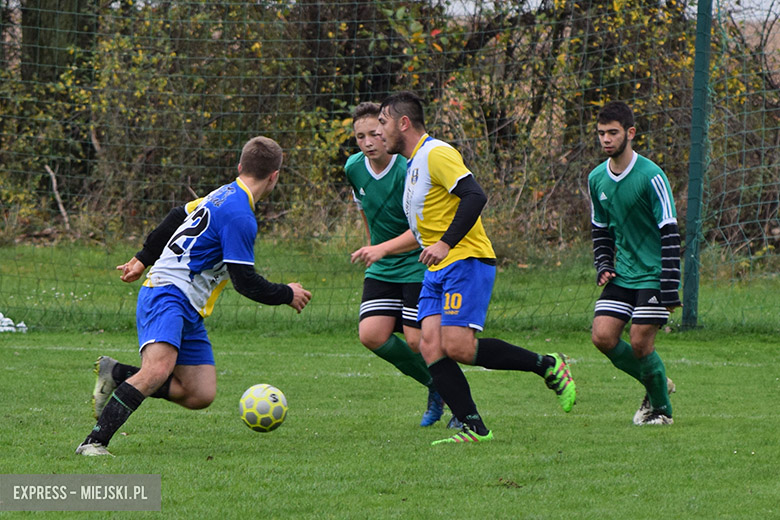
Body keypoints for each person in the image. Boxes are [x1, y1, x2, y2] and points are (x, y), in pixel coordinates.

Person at [76, 136, 312, 456]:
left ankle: (116, 374)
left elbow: (177, 215)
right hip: (167, 292)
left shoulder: (223, 193)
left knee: (199, 393)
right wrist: (288, 293)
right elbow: (245, 282)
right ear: (275, 176)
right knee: (157, 370)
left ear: (241, 167)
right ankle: (93, 442)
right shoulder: (240, 214)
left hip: (189, 303)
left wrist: (142, 256)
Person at [374, 91, 576, 445]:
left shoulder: (437, 153)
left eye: (382, 123)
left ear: (403, 123)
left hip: (465, 259)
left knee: (459, 347)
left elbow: (475, 196)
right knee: (429, 346)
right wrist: (384, 249)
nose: (379, 132)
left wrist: (445, 243)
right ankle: (473, 427)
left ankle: (547, 365)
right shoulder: (413, 165)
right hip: (438, 268)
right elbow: (425, 228)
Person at [346, 102, 458, 428]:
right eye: (360, 136)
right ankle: (434, 385)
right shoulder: (354, 168)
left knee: (415, 341)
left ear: (388, 132)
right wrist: (373, 248)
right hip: (382, 263)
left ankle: (457, 401)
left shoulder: (409, 169)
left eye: (374, 133)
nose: (368, 142)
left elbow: (423, 230)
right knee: (371, 334)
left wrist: (380, 249)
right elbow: (366, 210)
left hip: (415, 261)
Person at [588, 101, 679, 426]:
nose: (606, 139)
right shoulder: (597, 178)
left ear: (630, 133)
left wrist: (670, 286)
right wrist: (603, 264)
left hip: (654, 275)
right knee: (603, 337)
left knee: (640, 342)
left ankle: (662, 410)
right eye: (601, 133)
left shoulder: (651, 176)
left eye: (613, 133)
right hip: (623, 273)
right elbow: (600, 229)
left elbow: (669, 231)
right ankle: (656, 383)